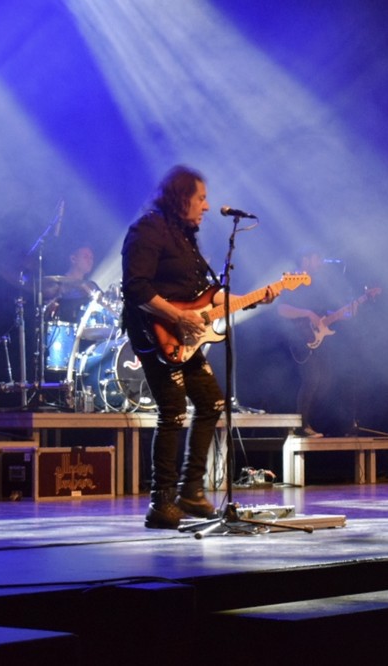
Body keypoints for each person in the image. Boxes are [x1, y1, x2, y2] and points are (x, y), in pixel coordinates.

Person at [121, 165, 277, 529]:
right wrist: (175, 317)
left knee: (212, 403)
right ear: (181, 197)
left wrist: (254, 299)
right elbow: (136, 287)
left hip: (186, 337)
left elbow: (205, 297)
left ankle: (190, 492)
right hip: (153, 334)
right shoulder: (148, 229)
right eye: (201, 198)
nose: (206, 207)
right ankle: (160, 503)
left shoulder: (186, 238)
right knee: (173, 410)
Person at [276, 249, 351, 438]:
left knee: (325, 380)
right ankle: (301, 426)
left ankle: (307, 421)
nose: (320, 262)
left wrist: (342, 315)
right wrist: (307, 313)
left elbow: (322, 314)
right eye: (317, 258)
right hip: (299, 338)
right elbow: (282, 309)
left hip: (318, 337)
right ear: (305, 260)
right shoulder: (292, 280)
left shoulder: (317, 284)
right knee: (312, 379)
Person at [42, 245, 100, 324]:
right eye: (85, 257)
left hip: (88, 333)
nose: (90, 261)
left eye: (91, 258)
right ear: (73, 259)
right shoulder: (57, 284)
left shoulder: (92, 286)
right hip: (64, 332)